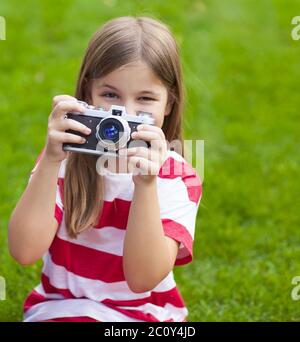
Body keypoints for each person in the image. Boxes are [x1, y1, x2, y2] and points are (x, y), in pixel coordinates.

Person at [8, 16, 202, 322]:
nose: (124, 115)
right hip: (63, 308)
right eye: (110, 95)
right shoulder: (65, 161)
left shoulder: (176, 178)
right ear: (88, 94)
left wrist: (146, 185)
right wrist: (49, 161)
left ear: (168, 103)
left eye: (145, 99)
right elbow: (24, 251)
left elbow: (142, 279)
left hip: (142, 315)